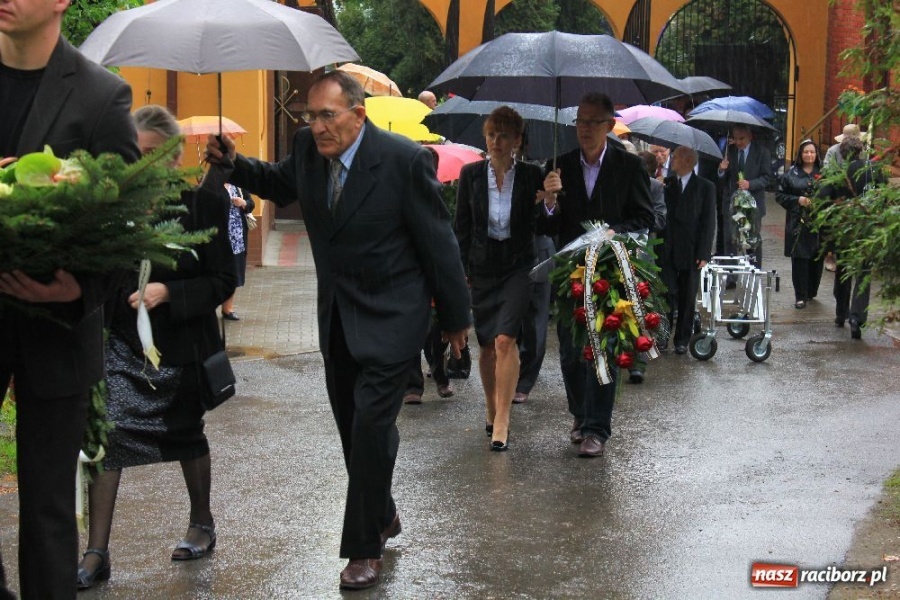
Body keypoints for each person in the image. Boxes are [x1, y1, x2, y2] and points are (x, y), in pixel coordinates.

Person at [205, 71, 471, 590]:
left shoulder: (403, 160)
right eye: (311, 115)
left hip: (395, 316)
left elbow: (440, 244)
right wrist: (234, 162)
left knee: (371, 426)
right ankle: (384, 510)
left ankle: (362, 549)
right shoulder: (308, 150)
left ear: (358, 114)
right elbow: (279, 182)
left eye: (329, 115)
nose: (318, 126)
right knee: (356, 432)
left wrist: (457, 320)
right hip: (337, 317)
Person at [0, 1, 140, 597]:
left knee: (48, 507)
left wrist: (82, 285)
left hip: (56, 326)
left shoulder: (100, 95)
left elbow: (130, 217)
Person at [75, 106, 237, 590]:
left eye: (149, 154)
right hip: (123, 345)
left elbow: (224, 280)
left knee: (187, 433)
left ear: (173, 156)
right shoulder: (114, 207)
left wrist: (169, 292)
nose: (140, 165)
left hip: (180, 347)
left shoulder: (204, 205)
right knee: (107, 437)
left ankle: (201, 522)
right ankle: (97, 551)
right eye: (132, 155)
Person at [543, 92, 655, 458]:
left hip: (610, 270)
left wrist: (613, 232)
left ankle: (597, 428)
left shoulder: (629, 167)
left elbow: (644, 218)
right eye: (580, 121)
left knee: (604, 347)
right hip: (570, 272)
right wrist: (550, 202)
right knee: (572, 350)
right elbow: (548, 226)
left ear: (609, 125)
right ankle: (579, 414)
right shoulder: (559, 166)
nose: (585, 129)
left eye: (593, 122)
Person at [454, 106, 549, 451]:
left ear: (517, 141)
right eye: (492, 134)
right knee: (486, 346)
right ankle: (492, 408)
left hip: (517, 267)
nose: (496, 140)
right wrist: (460, 270)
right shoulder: (471, 175)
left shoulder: (531, 176)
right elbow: (461, 227)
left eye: (504, 134)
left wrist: (550, 200)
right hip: (482, 268)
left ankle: (504, 419)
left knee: (505, 340)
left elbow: (547, 224)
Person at [822, 137, 885, 340]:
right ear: (860, 151)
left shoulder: (838, 174)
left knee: (844, 273)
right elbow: (883, 196)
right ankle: (857, 317)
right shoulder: (873, 170)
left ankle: (841, 313)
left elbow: (824, 199)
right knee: (864, 273)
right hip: (866, 228)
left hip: (844, 230)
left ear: (842, 153)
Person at [659, 147, 717, 354]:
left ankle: (682, 338)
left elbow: (708, 222)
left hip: (691, 250)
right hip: (667, 248)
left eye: (674, 157)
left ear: (687, 161)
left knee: (687, 296)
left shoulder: (705, 187)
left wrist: (704, 253)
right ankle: (662, 336)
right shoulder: (667, 184)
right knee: (665, 293)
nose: (671, 160)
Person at [775, 140, 824, 309]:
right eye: (806, 152)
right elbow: (780, 196)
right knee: (800, 259)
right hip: (798, 222)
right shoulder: (791, 174)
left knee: (816, 259)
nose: (809, 155)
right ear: (800, 155)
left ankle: (811, 292)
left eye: (812, 152)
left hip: (819, 222)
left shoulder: (824, 173)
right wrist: (798, 200)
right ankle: (800, 295)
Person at [717, 124, 772, 271]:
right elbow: (721, 179)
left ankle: (754, 271)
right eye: (735, 138)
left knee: (751, 240)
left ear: (749, 136)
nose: (738, 142)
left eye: (742, 138)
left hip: (752, 205)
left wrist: (750, 184)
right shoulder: (729, 152)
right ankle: (730, 275)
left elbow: (767, 178)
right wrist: (721, 170)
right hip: (732, 204)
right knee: (730, 240)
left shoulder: (762, 153)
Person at [221, 183, 255, 320]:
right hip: (218, 236)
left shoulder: (239, 186)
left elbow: (251, 203)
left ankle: (227, 308)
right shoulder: (211, 184)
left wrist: (243, 203)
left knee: (233, 271)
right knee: (217, 271)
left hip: (236, 236)